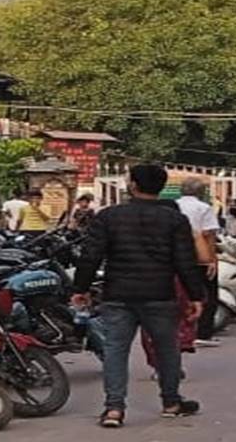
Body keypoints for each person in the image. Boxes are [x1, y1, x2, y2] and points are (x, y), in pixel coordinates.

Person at [73, 163, 205, 428]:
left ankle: (114, 410)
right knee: (167, 349)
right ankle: (171, 402)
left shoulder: (109, 216)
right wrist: (195, 296)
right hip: (159, 294)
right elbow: (184, 261)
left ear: (133, 185)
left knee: (115, 350)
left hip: (117, 293)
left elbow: (90, 255)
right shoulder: (175, 219)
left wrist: (81, 288)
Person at [171, 178, 222, 344]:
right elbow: (208, 235)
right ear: (201, 192)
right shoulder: (204, 208)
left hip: (175, 256)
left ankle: (179, 331)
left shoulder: (173, 206)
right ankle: (203, 333)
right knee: (207, 294)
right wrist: (212, 259)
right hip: (198, 257)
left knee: (179, 292)